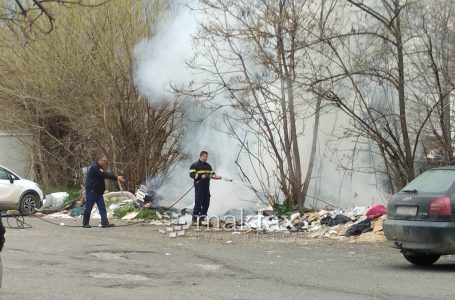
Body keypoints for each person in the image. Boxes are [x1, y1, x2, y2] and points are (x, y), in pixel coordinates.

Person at [82, 152, 125, 228]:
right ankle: (85, 223)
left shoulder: (100, 167)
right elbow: (104, 175)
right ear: (99, 160)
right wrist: (116, 177)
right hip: (92, 191)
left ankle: (104, 223)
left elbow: (104, 174)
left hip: (98, 192)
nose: (105, 162)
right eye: (103, 160)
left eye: (105, 161)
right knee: (89, 208)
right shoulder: (95, 167)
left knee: (102, 207)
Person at [189, 151, 221, 223]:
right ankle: (194, 218)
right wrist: (201, 176)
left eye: (207, 156)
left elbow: (212, 175)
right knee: (198, 202)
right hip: (199, 187)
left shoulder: (208, 166)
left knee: (206, 203)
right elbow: (191, 174)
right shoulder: (194, 165)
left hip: (206, 187)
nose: (206, 158)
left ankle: (202, 218)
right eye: (205, 156)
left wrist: (217, 177)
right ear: (201, 156)